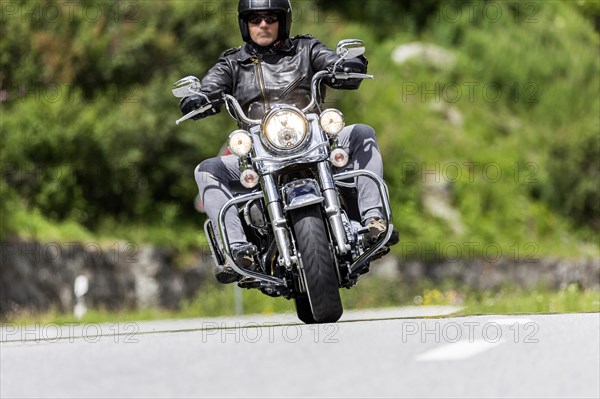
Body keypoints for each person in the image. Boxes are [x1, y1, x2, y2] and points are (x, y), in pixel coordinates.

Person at [181, 0, 390, 283]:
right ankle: (237, 248)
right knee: (207, 169)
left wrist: (344, 64)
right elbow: (212, 84)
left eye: (270, 18)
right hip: (259, 151)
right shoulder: (232, 63)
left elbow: (330, 60)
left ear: (283, 21)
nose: (263, 25)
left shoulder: (306, 48)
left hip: (314, 140)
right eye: (255, 19)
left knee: (362, 132)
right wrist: (201, 96)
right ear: (245, 24)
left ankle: (373, 220)